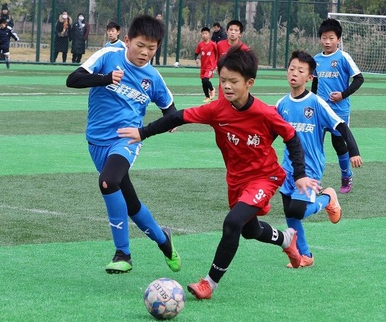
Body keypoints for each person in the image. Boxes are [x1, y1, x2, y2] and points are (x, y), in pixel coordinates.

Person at [117, 46, 321, 300]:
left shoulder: (265, 113)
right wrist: (142, 132)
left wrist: (299, 174)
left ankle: (209, 283)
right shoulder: (216, 110)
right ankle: (286, 240)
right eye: (222, 80)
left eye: (233, 81)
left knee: (232, 223)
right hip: (236, 181)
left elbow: (291, 138)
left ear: (249, 83)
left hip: (266, 177)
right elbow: (178, 118)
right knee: (249, 230)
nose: (226, 86)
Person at [66, 14, 181, 274]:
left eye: (152, 48)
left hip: (126, 140)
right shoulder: (108, 56)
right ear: (127, 40)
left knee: (108, 182)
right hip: (96, 141)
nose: (145, 53)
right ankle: (164, 241)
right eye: (141, 45)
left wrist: (152, 129)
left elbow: (170, 113)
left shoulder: (153, 77)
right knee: (131, 205)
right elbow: (72, 79)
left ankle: (123, 254)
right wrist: (105, 78)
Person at [278, 50, 362, 268]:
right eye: (292, 68)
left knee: (297, 210)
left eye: (300, 70)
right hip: (288, 169)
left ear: (310, 77)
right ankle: (305, 255)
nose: (294, 73)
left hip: (311, 168)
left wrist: (353, 151)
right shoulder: (282, 104)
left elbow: (341, 125)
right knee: (290, 212)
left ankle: (327, 198)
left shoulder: (316, 103)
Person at [312, 18, 364, 194]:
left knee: (339, 145)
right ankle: (313, 178)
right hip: (319, 111)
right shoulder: (316, 60)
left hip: (339, 111)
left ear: (339, 39)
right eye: (324, 37)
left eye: (331, 38)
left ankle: (346, 175)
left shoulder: (343, 57)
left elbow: (359, 79)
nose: (327, 41)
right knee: (314, 144)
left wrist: (343, 94)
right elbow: (314, 84)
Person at [195, 27, 217, 103]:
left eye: (206, 33)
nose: (204, 35)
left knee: (205, 79)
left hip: (210, 66)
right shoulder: (200, 44)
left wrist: (216, 64)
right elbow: (196, 53)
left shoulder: (213, 44)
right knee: (203, 81)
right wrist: (197, 59)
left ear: (209, 34)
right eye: (203, 34)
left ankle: (212, 89)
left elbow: (218, 54)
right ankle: (207, 97)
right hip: (203, 66)